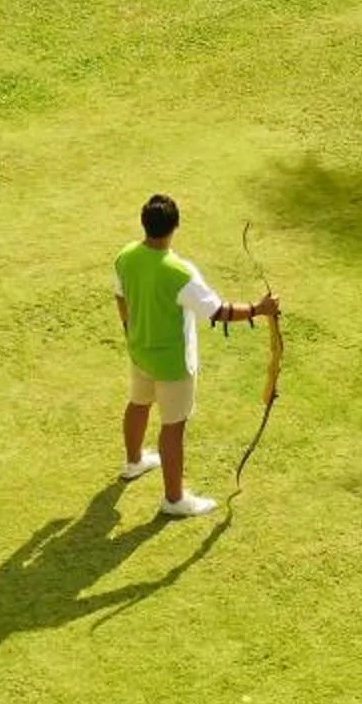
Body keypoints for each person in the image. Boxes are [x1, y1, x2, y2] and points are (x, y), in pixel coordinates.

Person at [113, 193, 277, 518]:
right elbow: (218, 311)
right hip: (173, 363)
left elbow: (121, 296)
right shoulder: (180, 272)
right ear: (175, 226)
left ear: (144, 223)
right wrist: (260, 309)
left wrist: (131, 331)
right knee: (173, 427)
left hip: (139, 352)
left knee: (138, 404)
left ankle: (134, 462)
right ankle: (174, 500)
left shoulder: (126, 256)